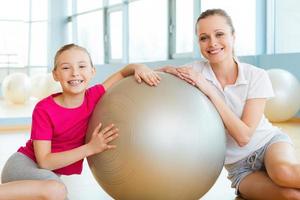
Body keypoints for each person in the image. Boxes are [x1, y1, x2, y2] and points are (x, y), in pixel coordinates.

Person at [159, 9, 300, 200]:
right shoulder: (192, 71)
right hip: (240, 167)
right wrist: (137, 68)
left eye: (219, 34)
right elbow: (154, 75)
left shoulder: (256, 75)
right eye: (204, 38)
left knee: (284, 173)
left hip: (269, 144)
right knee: (290, 196)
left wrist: (208, 90)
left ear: (233, 36)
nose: (212, 43)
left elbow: (243, 136)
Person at [0, 43, 161, 200]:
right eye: (65, 68)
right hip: (22, 167)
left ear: (92, 71)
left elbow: (123, 73)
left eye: (82, 66)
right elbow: (45, 162)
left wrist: (141, 67)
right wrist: (90, 148)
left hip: (47, 178)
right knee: (57, 190)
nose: (75, 73)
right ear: (55, 75)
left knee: (57, 191)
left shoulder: (94, 96)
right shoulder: (44, 109)